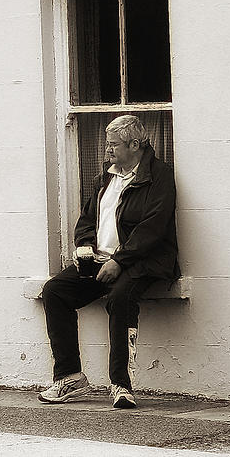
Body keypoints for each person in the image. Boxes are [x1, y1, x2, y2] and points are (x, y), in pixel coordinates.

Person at [39, 115, 179, 409]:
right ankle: (70, 377)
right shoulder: (106, 175)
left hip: (141, 262)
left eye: (114, 145)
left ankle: (121, 385)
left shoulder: (159, 175)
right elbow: (88, 218)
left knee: (120, 297)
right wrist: (85, 246)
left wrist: (120, 260)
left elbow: (152, 228)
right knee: (55, 291)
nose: (107, 151)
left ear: (135, 144)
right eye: (106, 145)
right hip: (101, 260)